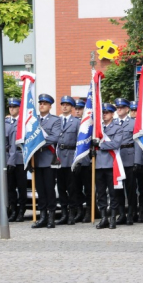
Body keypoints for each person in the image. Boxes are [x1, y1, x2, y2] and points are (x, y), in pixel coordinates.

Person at [30, 94, 61, 229]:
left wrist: (37, 143)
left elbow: (54, 138)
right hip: (36, 160)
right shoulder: (33, 120)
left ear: (50, 106)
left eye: (45, 103)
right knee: (40, 190)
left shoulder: (55, 120)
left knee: (49, 189)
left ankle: (51, 217)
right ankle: (42, 216)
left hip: (48, 159)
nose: (42, 105)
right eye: (40, 103)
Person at [94, 103, 124, 229]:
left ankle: (112, 217)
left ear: (112, 114)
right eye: (103, 113)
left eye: (107, 112)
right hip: (98, 165)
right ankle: (103, 217)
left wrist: (100, 145)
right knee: (100, 193)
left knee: (113, 193)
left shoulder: (117, 128)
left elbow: (116, 144)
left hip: (111, 164)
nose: (104, 115)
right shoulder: (97, 128)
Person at [57, 95, 80, 225]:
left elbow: (80, 142)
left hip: (71, 156)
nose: (64, 106)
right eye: (63, 104)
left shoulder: (76, 122)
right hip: (59, 157)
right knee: (61, 188)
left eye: (67, 105)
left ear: (72, 107)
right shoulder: (56, 121)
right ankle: (64, 213)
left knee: (72, 188)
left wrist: (78, 161)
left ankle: (72, 213)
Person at [114, 97, 135, 225]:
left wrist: (137, 161)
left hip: (129, 157)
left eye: (121, 107)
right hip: (117, 158)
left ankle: (131, 214)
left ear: (127, 109)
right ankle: (121, 214)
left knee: (131, 188)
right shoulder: (113, 122)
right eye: (118, 108)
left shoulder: (133, 123)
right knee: (118, 188)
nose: (119, 109)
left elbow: (137, 143)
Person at [5, 98, 26, 222]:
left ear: (19, 108)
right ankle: (13, 210)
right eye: (10, 107)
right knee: (10, 187)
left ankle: (22, 210)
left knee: (21, 186)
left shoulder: (24, 122)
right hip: (8, 158)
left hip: (20, 157)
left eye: (14, 106)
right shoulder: (6, 122)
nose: (11, 109)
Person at [131, 100, 143, 223]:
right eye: (132, 110)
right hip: (130, 160)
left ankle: (142, 212)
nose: (134, 113)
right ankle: (133, 211)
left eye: (136, 111)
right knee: (132, 188)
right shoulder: (127, 124)